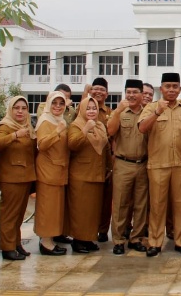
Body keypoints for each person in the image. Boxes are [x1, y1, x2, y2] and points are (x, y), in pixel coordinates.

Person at [138, 72, 181, 257]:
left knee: (180, 205)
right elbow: (142, 128)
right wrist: (157, 112)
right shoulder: (150, 107)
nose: (171, 90)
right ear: (161, 89)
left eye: (174, 87)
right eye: (167, 86)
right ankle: (155, 242)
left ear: (180, 89)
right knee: (157, 205)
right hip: (158, 165)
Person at [0, 96, 37, 261]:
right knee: (9, 214)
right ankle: (7, 247)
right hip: (11, 177)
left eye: (24, 108)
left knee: (19, 214)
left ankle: (16, 243)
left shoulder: (27, 126)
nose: (20, 111)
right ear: (10, 110)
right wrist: (15, 135)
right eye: (16, 108)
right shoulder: (6, 125)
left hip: (25, 177)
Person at [107, 79, 149, 255]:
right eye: (128, 92)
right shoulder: (120, 112)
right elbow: (110, 131)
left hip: (143, 164)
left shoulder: (148, 112)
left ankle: (137, 238)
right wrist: (117, 111)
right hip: (123, 163)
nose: (131, 95)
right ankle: (118, 240)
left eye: (135, 92)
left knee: (141, 203)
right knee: (120, 204)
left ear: (142, 94)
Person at [67, 97, 109, 253]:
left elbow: (106, 149)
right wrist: (85, 130)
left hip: (97, 174)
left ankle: (89, 238)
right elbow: (72, 145)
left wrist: (108, 169)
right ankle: (78, 240)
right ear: (81, 110)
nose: (92, 111)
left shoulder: (100, 126)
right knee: (81, 210)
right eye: (88, 108)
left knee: (93, 211)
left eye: (94, 108)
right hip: (81, 175)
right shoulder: (76, 126)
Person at [35, 90, 70, 256]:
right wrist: (57, 131)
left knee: (55, 208)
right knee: (47, 208)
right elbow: (42, 145)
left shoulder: (60, 120)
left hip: (58, 171)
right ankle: (45, 242)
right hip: (47, 171)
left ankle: (50, 239)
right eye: (54, 103)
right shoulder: (45, 121)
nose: (58, 106)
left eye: (61, 103)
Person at [85, 78, 113, 243]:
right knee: (87, 198)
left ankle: (102, 230)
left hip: (105, 158)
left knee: (105, 198)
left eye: (102, 90)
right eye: (95, 89)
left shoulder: (110, 112)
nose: (98, 92)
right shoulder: (83, 110)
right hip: (87, 159)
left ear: (107, 94)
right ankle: (87, 230)